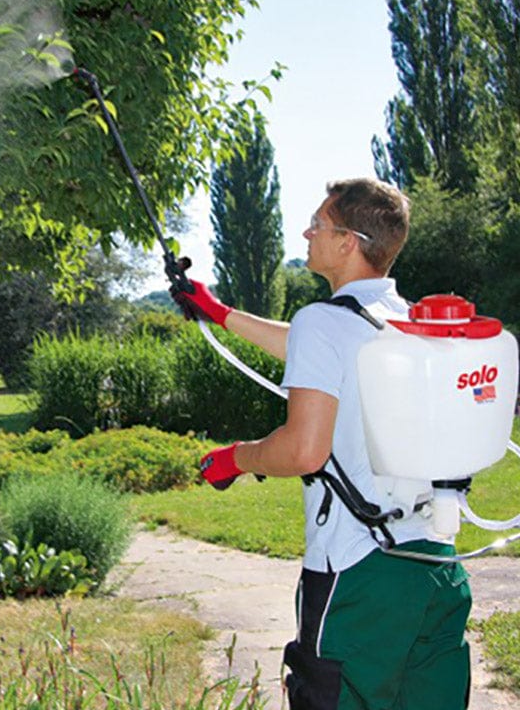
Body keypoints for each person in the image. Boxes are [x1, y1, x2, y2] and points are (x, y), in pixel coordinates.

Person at [172, 178, 471, 710]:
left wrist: (234, 459)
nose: (307, 232)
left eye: (319, 223)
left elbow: (303, 451)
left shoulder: (325, 323)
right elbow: (311, 342)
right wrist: (217, 312)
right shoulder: (407, 321)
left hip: (359, 575)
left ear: (347, 242)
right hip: (436, 567)